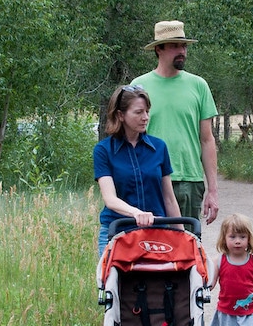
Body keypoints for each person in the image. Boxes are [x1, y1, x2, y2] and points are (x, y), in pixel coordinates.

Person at [135, 20, 220, 225]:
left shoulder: (198, 86)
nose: (181, 51)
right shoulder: (139, 87)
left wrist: (213, 191)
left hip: (189, 180)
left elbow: (207, 140)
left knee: (188, 248)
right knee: (152, 247)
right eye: (174, 46)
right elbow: (130, 140)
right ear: (158, 49)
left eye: (183, 46)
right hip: (150, 178)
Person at [94, 84, 180, 254]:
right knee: (111, 280)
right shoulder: (103, 151)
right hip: (117, 231)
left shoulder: (159, 148)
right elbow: (110, 199)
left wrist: (183, 236)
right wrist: (137, 214)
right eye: (139, 112)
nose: (145, 117)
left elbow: (169, 198)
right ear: (120, 115)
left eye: (147, 111)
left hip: (156, 233)